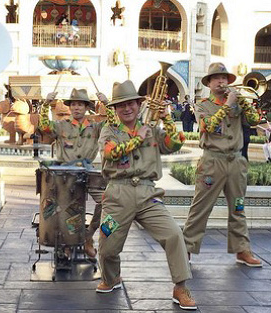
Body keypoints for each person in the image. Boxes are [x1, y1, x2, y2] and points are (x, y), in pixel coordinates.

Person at [96, 80, 196, 310]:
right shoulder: (109, 131)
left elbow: (174, 144)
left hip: (148, 193)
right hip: (117, 195)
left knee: (173, 235)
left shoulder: (152, 128)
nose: (127, 108)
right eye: (121, 105)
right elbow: (110, 153)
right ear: (115, 109)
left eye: (131, 103)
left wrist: (167, 118)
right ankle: (111, 278)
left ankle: (180, 287)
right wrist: (137, 139)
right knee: (108, 246)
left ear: (139, 104)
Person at [183, 63, 262, 267]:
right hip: (212, 161)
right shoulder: (202, 105)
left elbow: (254, 121)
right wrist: (228, 105)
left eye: (225, 78)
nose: (222, 82)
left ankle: (242, 249)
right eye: (217, 78)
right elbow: (207, 127)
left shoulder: (238, 103)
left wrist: (243, 102)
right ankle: (186, 249)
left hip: (235, 161)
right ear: (209, 83)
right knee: (201, 207)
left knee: (238, 207)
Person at [39, 88, 108, 258]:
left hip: (87, 171)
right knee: (64, 210)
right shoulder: (61, 125)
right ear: (70, 108)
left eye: (80, 105)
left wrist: (107, 104)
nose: (76, 108)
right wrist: (45, 104)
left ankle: (88, 236)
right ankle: (66, 244)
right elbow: (43, 127)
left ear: (86, 108)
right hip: (65, 174)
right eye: (74, 105)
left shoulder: (96, 127)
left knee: (108, 202)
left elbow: (115, 124)